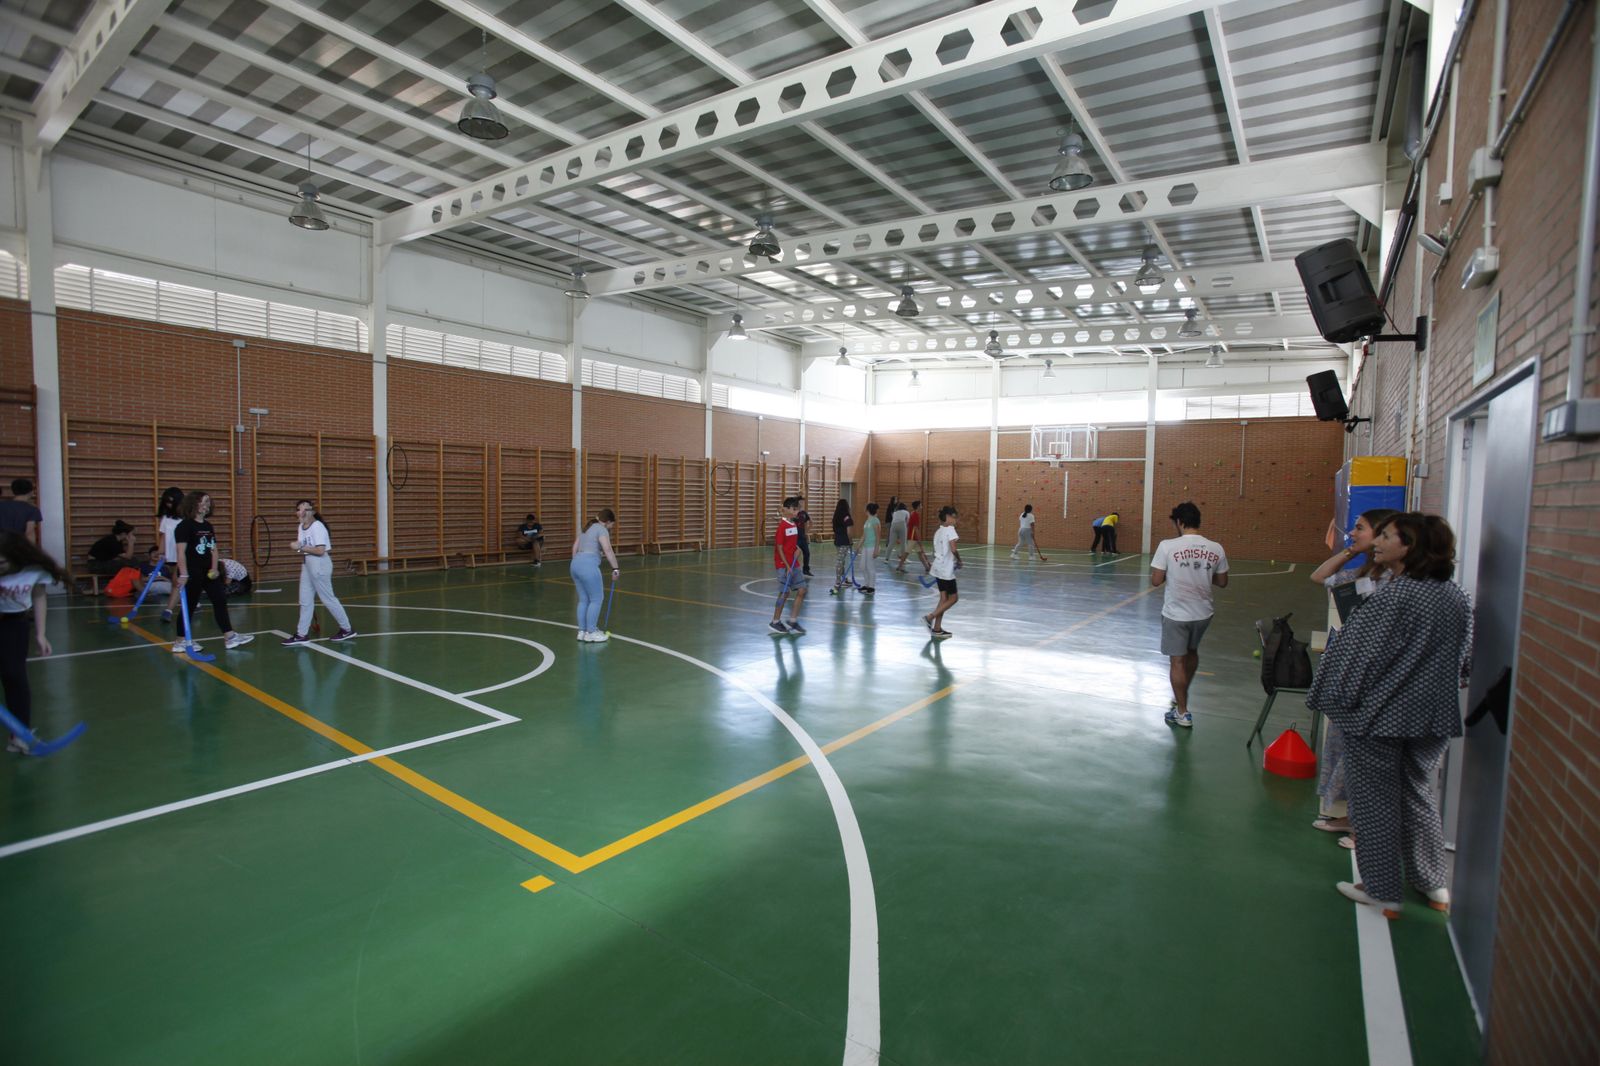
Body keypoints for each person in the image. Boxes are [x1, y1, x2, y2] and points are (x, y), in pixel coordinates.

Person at [1308, 513, 1471, 918]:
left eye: (1386, 536)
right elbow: (1465, 663)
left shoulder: (1395, 597)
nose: (1376, 542)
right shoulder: (1455, 596)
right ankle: (1433, 881)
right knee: (1417, 794)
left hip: (1382, 715)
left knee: (1374, 802)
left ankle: (1382, 890)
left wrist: (1332, 698)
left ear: (1410, 546)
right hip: (1432, 716)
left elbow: (1356, 658)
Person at [1307, 507, 1399, 844]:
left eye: (1360, 529)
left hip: (1375, 681)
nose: (1352, 534)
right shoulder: (1367, 574)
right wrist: (1351, 551)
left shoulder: (1399, 584)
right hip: (1353, 678)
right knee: (1345, 748)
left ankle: (1368, 830)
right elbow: (1320, 577)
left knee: (1367, 757)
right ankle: (1353, 817)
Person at [1150, 501, 1228, 728]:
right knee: (1191, 652)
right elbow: (1222, 582)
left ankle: (1182, 712)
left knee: (1177, 660)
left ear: (1180, 522)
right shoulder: (1216, 548)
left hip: (1176, 614)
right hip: (1203, 614)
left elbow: (1156, 581)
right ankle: (1181, 694)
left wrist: (1172, 572)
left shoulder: (1167, 546)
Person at [0, 531, 65, 753]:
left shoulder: (33, 570)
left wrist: (41, 633)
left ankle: (20, 735)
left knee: (15, 677)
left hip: (14, 623)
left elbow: (38, 596)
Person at [173, 490, 254, 654]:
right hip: (192, 571)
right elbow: (180, 552)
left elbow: (213, 550)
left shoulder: (208, 526)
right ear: (194, 504)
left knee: (220, 600)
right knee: (189, 605)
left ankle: (229, 637)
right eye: (203, 502)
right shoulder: (184, 526)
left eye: (208, 502)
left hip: (208, 571)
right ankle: (180, 641)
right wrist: (183, 574)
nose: (206, 505)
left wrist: (215, 568)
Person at [281, 499, 355, 646]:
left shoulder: (317, 527)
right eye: (298, 509)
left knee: (328, 598)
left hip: (320, 565)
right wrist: (298, 548)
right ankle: (302, 634)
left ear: (312, 512)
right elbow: (302, 548)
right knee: (305, 600)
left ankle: (347, 629)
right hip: (307, 565)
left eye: (305, 509)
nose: (301, 512)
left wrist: (299, 548)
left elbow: (320, 551)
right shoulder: (301, 527)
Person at [571, 507, 621, 642]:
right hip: (588, 566)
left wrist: (578, 562)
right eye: (612, 524)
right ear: (608, 522)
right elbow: (608, 550)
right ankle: (591, 632)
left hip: (575, 564)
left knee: (583, 600)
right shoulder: (601, 529)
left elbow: (574, 548)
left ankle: (582, 631)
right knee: (596, 599)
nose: (612, 527)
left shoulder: (586, 529)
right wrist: (615, 568)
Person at [769, 496, 808, 635]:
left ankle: (792, 620)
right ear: (786, 510)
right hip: (783, 564)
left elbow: (790, 544)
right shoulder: (782, 527)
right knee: (784, 593)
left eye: (798, 509)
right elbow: (779, 548)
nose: (797, 512)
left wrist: (797, 550)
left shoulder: (793, 525)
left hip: (793, 563)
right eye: (794, 509)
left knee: (802, 590)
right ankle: (775, 621)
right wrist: (787, 566)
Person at [922, 506, 961, 639]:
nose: (956, 520)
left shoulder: (939, 531)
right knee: (954, 598)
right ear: (948, 517)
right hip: (946, 569)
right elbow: (953, 548)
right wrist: (959, 560)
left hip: (938, 567)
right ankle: (930, 617)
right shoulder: (950, 529)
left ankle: (937, 628)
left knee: (944, 598)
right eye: (954, 517)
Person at [155, 486, 184, 623]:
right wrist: (161, 552)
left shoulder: (186, 518)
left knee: (176, 582)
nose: (169, 505)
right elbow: (163, 536)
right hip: (171, 556)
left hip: (183, 555)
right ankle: (195, 603)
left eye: (172, 502)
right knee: (179, 582)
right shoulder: (166, 518)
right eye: (167, 502)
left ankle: (168, 610)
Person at [0, 478, 42, 545]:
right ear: (31, 492)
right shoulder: (32, 510)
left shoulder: (1, 505)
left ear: (13, 491)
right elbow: (29, 533)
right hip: (19, 548)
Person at [857, 502, 881, 596]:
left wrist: (876, 549)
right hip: (866, 547)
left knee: (870, 567)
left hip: (872, 547)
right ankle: (867, 584)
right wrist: (858, 546)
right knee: (862, 566)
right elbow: (864, 535)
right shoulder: (867, 521)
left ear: (868, 510)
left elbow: (878, 536)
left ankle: (871, 587)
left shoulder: (875, 520)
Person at [830, 499, 854, 591]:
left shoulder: (836, 516)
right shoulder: (846, 516)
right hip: (844, 541)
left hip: (837, 541)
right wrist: (851, 541)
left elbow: (834, 529)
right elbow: (849, 531)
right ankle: (838, 581)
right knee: (840, 561)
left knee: (842, 560)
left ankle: (843, 578)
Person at [897, 500, 923, 572]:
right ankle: (899, 566)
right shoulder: (915, 515)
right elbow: (915, 528)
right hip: (912, 537)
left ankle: (927, 567)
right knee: (906, 553)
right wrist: (919, 539)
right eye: (921, 505)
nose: (922, 507)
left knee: (920, 552)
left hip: (914, 537)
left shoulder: (914, 514)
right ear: (918, 507)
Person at [886, 502, 909, 572]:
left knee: (891, 543)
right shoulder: (906, 512)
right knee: (903, 543)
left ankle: (886, 559)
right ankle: (903, 558)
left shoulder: (895, 513)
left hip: (893, 526)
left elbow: (894, 520)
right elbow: (907, 521)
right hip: (902, 524)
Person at [795, 496, 813, 576]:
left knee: (807, 553)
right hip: (795, 538)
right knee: (795, 555)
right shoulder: (794, 512)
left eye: (803, 502)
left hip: (802, 537)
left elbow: (810, 522)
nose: (802, 503)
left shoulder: (804, 513)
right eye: (801, 502)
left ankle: (806, 570)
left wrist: (806, 532)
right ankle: (794, 570)